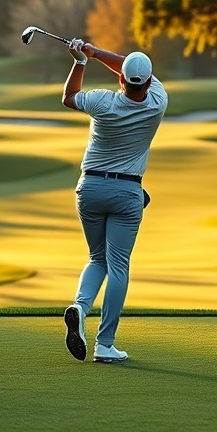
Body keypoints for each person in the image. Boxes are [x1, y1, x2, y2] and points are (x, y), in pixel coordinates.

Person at [60, 37, 167, 363]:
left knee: (97, 258)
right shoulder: (157, 101)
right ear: (147, 81)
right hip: (127, 193)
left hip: (90, 187)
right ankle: (104, 345)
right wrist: (97, 53)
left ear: (120, 80)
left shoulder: (102, 102)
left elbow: (69, 97)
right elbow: (127, 66)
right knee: (118, 265)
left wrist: (82, 60)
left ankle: (80, 307)